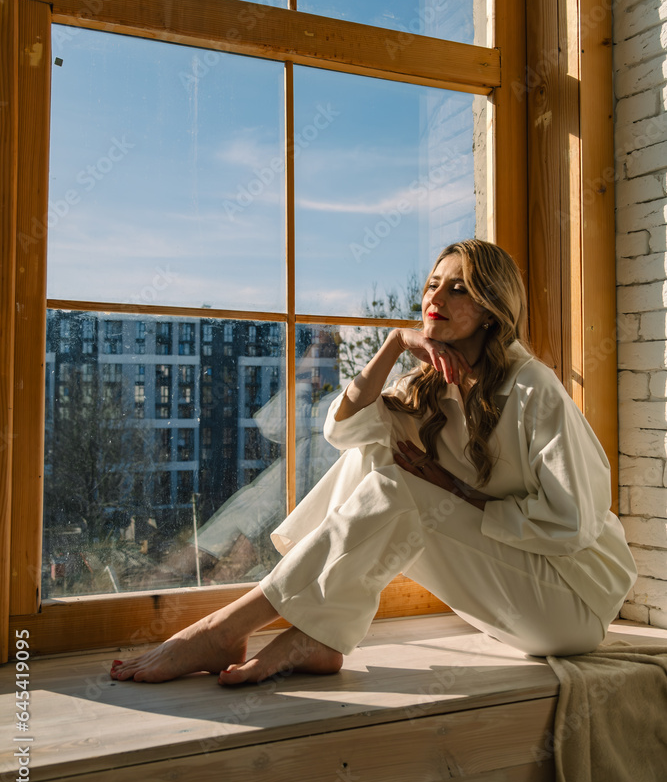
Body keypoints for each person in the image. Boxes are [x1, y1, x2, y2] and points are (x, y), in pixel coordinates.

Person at [110, 239, 637, 685]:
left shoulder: (532, 388)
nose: (437, 297)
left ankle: (226, 628)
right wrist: (391, 344)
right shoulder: (430, 385)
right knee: (375, 459)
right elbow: (343, 431)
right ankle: (315, 633)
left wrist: (460, 495)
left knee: (399, 487)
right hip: (512, 597)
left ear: (492, 307)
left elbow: (576, 521)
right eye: (433, 284)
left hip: (570, 603)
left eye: (459, 287)